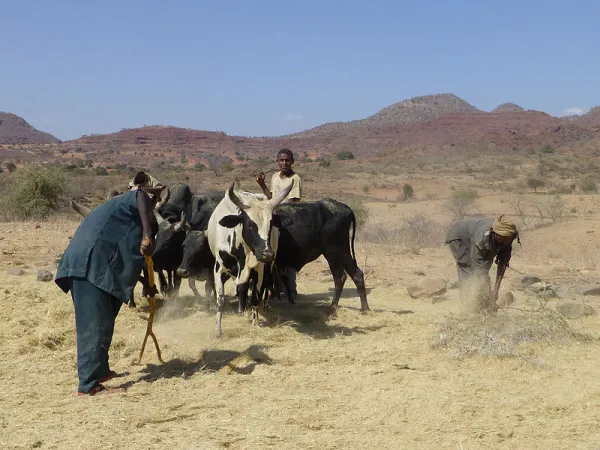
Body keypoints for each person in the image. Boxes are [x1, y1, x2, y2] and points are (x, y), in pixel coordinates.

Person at [55, 172, 165, 396]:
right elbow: (140, 196)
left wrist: (145, 282)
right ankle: (88, 386)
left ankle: (101, 371)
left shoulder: (123, 213)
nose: (154, 201)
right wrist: (147, 235)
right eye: (154, 196)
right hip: (90, 264)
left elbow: (126, 251)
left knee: (104, 322)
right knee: (93, 325)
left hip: (99, 267)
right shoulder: (133, 199)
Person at [445, 214, 520, 312]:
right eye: (502, 238)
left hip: (475, 235)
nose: (505, 242)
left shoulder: (508, 237)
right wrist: (488, 296)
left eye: (508, 239)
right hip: (459, 237)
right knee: (469, 270)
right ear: (494, 233)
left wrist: (496, 289)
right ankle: (469, 306)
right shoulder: (482, 240)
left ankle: (483, 304)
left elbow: (503, 263)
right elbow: (480, 271)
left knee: (483, 272)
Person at [256, 148, 302, 299]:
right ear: (277, 161)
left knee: (288, 260)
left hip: (288, 222)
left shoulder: (295, 179)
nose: (284, 163)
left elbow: (293, 203)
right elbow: (271, 198)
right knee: (274, 257)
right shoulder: (275, 176)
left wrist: (274, 208)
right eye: (281, 160)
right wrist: (262, 185)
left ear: (292, 162)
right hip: (274, 219)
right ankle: (276, 290)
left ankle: (292, 292)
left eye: (287, 160)